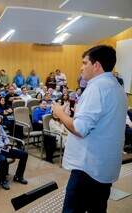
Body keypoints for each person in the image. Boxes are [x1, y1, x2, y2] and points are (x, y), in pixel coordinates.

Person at [52, 45, 127, 213]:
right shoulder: (117, 87)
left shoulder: (96, 88)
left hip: (88, 168)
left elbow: (80, 128)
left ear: (96, 65)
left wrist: (59, 114)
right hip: (104, 166)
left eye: (84, 62)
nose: (81, 67)